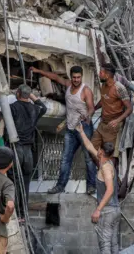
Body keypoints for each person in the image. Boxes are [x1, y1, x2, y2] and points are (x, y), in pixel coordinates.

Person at [29, 66, 97, 195]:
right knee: (65, 159)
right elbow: (55, 77)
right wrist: (39, 71)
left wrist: (87, 117)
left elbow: (92, 108)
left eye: (78, 77)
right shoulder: (68, 85)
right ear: (71, 77)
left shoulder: (86, 90)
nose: (76, 80)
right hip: (70, 129)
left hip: (83, 127)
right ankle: (60, 186)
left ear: (81, 77)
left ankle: (91, 186)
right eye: (74, 77)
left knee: (88, 158)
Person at [76, 124, 120, 254]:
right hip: (115, 210)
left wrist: (98, 210)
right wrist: (81, 131)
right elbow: (89, 147)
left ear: (101, 151)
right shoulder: (105, 162)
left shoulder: (106, 169)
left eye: (98, 149)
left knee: (105, 245)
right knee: (113, 244)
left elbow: (109, 189)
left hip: (108, 211)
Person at [4, 85, 47, 218]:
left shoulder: (13, 107)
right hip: (28, 152)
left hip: (16, 149)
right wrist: (33, 97)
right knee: (25, 182)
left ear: (17, 93)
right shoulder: (35, 108)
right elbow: (44, 108)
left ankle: (15, 212)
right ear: (28, 96)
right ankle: (23, 214)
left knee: (14, 182)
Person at [93, 63, 133, 157]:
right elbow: (104, 100)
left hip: (112, 126)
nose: (99, 74)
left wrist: (117, 120)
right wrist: (93, 109)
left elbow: (129, 108)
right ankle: (100, 170)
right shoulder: (103, 85)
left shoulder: (119, 88)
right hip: (102, 124)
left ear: (107, 75)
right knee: (92, 149)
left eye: (101, 73)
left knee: (109, 155)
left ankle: (109, 171)